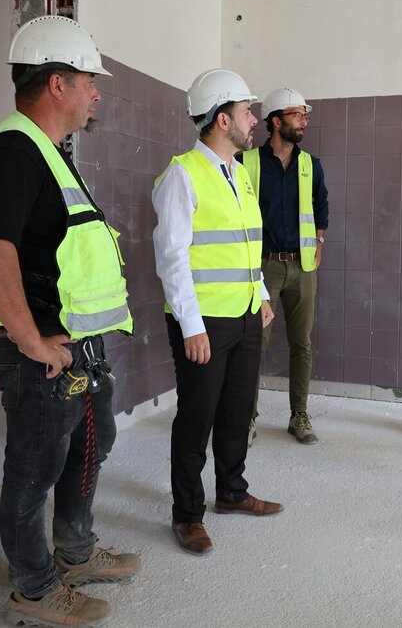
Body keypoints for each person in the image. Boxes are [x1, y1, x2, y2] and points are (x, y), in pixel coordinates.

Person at [0, 15, 140, 627]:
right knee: (34, 468)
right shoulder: (12, 151)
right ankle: (35, 590)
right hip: (40, 350)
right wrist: (32, 342)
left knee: (90, 445)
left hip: (76, 345)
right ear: (57, 83)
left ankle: (75, 552)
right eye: (90, 82)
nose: (97, 95)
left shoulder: (48, 153)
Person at [153, 68, 282, 557]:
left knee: (236, 411)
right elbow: (172, 258)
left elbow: (247, 244)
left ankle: (231, 491)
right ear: (222, 119)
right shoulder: (182, 175)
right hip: (203, 321)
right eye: (247, 112)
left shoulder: (239, 174)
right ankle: (187, 514)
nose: (255, 120)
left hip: (245, 313)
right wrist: (191, 326)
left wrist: (261, 293)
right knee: (196, 418)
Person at [239, 88, 329, 445]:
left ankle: (299, 415)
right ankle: (246, 417)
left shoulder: (310, 165)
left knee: (301, 344)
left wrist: (319, 241)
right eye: (297, 115)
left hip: (302, 266)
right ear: (275, 121)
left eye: (305, 115)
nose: (304, 121)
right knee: (253, 344)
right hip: (262, 267)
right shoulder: (246, 162)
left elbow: (321, 206)